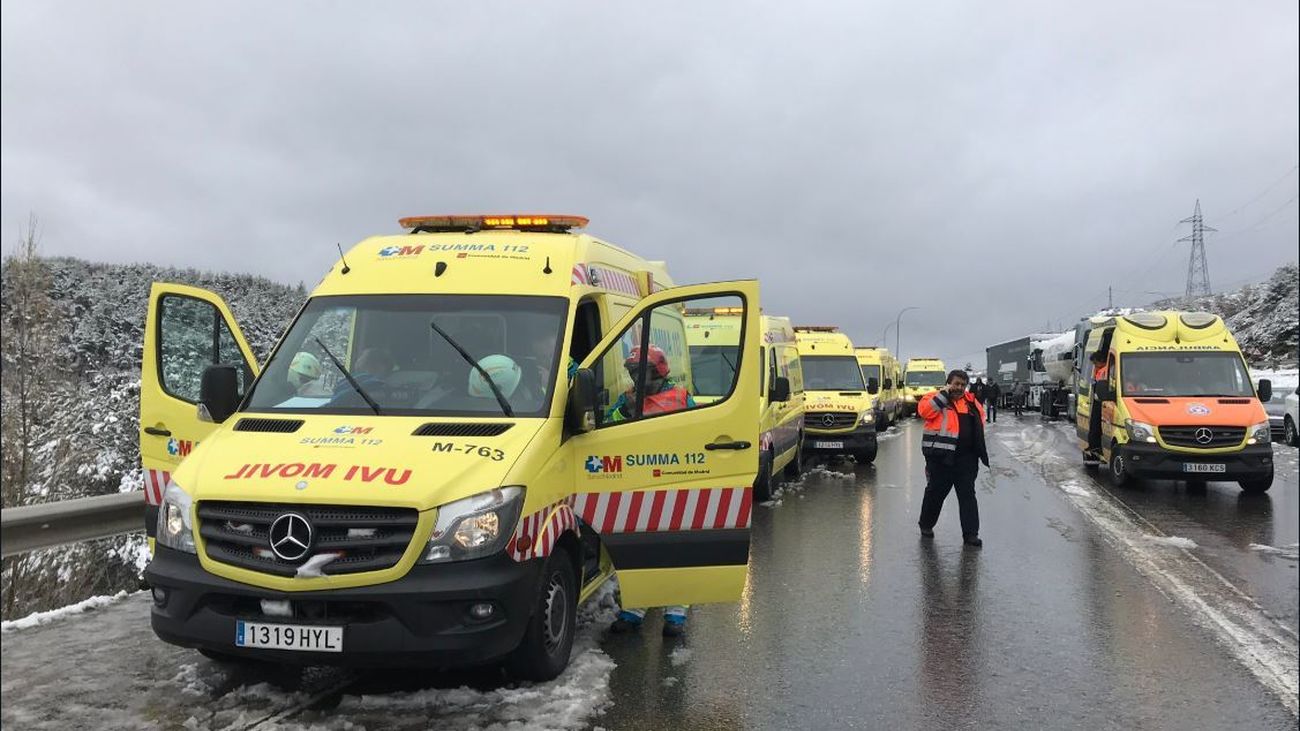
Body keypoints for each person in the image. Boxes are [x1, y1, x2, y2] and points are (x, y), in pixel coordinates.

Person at [607, 344, 696, 637]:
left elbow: (698, 433)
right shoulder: (628, 399)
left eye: (640, 372)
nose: (636, 379)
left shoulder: (682, 397)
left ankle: (676, 614)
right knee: (640, 551)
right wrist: (625, 410)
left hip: (676, 480)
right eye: (632, 373)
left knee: (677, 550)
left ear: (658, 371)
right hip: (638, 482)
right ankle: (634, 609)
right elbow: (607, 427)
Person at [917, 369, 989, 547]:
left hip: (966, 460)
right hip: (940, 459)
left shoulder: (971, 403)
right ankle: (926, 525)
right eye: (956, 384)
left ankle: (971, 535)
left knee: (967, 496)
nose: (959, 388)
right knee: (935, 493)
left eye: (963, 385)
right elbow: (924, 412)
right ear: (948, 383)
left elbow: (981, 421)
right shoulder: (933, 398)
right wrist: (944, 396)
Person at [1086, 350, 1110, 457]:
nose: (1095, 366)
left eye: (1095, 363)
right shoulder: (1100, 370)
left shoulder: (1104, 371)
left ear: (1101, 361)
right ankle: (1093, 446)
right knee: (1094, 424)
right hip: (1098, 399)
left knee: (1096, 425)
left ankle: (1095, 447)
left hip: (1101, 401)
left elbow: (1101, 385)